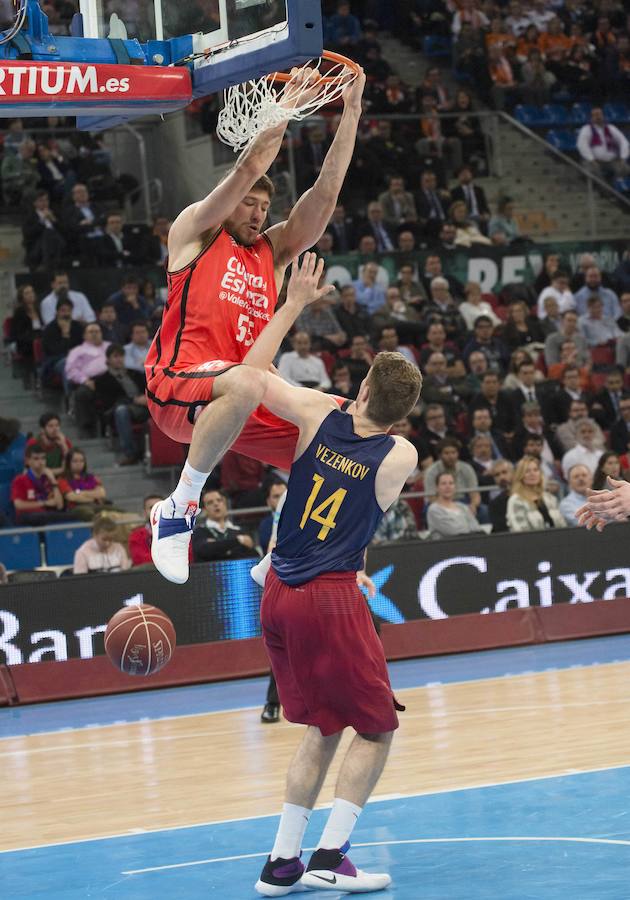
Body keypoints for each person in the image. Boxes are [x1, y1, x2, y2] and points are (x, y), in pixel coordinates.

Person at [147, 69, 367, 584]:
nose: (258, 212)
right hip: (178, 386)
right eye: (251, 203)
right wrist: (286, 105)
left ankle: (290, 542)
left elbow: (324, 197)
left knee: (356, 430)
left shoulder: (270, 256)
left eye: (266, 207)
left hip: (239, 398)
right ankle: (178, 507)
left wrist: (350, 113)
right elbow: (248, 168)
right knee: (246, 379)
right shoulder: (195, 232)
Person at [248, 354, 421, 894]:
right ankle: (330, 856)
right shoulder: (401, 454)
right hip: (329, 598)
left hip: (276, 588)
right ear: (406, 411)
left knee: (322, 728)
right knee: (375, 728)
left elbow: (254, 380)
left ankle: (281, 864)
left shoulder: (316, 410)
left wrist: (282, 328)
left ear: (363, 386)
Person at [10, 443, 76, 526]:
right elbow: (18, 505)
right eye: (36, 459)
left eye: (43, 458)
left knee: (73, 517)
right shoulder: (19, 479)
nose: (41, 462)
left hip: (46, 514)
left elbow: (59, 505)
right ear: (27, 461)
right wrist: (44, 503)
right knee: (42, 517)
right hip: (26, 516)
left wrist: (53, 480)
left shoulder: (48, 479)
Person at [191, 488, 257, 562]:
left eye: (219, 500)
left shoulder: (239, 530)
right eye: (210, 502)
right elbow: (204, 551)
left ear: (225, 505)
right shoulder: (199, 531)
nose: (216, 504)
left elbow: (253, 554)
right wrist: (238, 541)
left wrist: (216, 546)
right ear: (205, 510)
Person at [507, 456, 566, 532]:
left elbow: (563, 526)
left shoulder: (550, 498)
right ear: (520, 475)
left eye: (535, 470)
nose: (532, 474)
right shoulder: (515, 501)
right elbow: (520, 531)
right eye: (527, 471)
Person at [576, 106, 630, 180]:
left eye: (599, 114)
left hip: (611, 160)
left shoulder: (611, 128)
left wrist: (623, 158)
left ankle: (617, 184)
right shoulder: (586, 129)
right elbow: (582, 146)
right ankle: (601, 189)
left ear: (603, 115)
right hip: (594, 161)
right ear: (591, 117)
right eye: (595, 115)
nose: (598, 117)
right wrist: (591, 160)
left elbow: (624, 142)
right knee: (592, 172)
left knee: (625, 169)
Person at [426, 470, 484, 538]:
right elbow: (452, 531)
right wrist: (468, 527)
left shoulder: (463, 507)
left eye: (451, 483)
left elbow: (476, 528)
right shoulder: (434, 510)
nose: (448, 487)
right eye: (443, 483)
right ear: (437, 488)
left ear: (455, 487)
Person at [57, 448, 108, 520]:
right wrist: (93, 496)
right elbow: (72, 497)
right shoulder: (62, 479)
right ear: (68, 463)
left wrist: (80, 492)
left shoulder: (91, 477)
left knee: (119, 512)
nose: (79, 463)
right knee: (91, 515)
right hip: (76, 508)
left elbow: (102, 493)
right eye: (75, 461)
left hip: (95, 505)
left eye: (82, 461)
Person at [26, 412, 73, 477]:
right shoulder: (33, 443)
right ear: (42, 429)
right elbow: (31, 468)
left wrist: (64, 446)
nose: (55, 429)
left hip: (61, 479)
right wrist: (61, 470)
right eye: (50, 426)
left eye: (57, 425)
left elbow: (71, 466)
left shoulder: (65, 441)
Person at [128, 495, 164, 567]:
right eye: (151, 508)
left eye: (160, 507)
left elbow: (186, 557)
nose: (156, 511)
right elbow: (140, 560)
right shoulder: (136, 535)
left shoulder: (179, 532)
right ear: (144, 512)